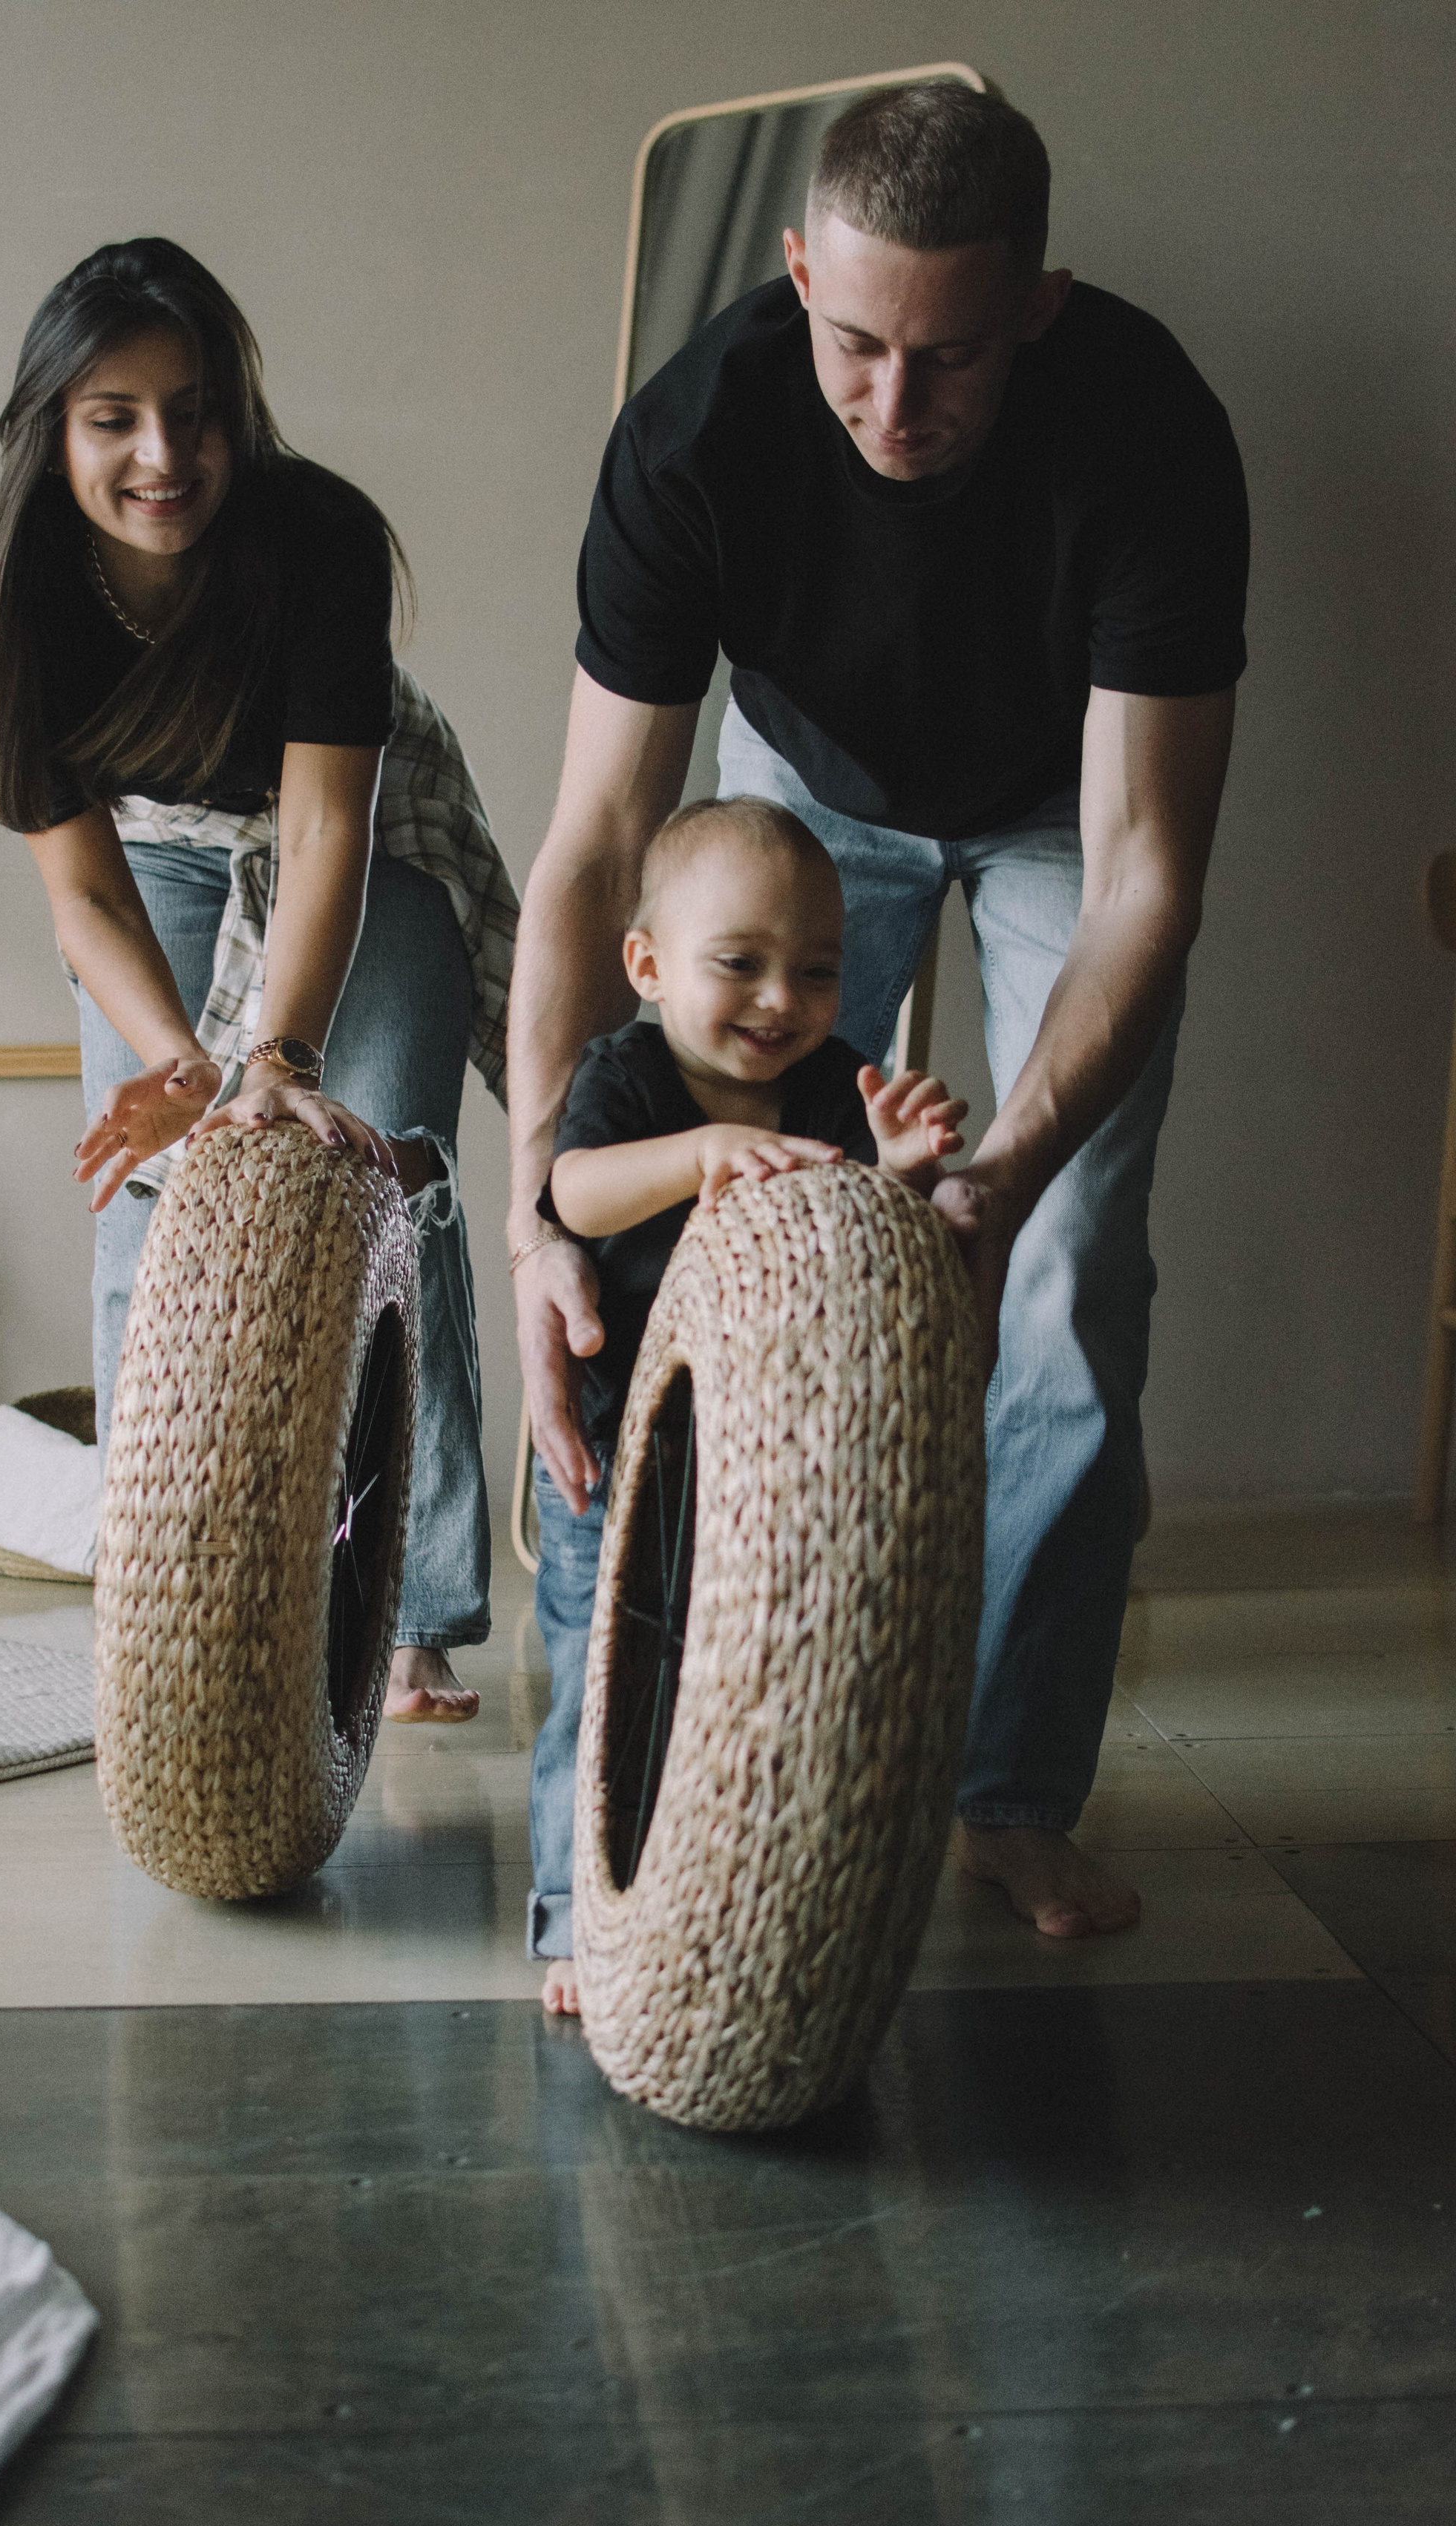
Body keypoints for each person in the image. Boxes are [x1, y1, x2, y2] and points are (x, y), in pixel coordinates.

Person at [508, 82, 1246, 1939]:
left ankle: (1002, 1792)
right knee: (718, 1238)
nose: (894, 409)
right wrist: (533, 1217)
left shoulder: (1148, 430)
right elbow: (596, 840)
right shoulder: (692, 433)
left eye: (950, 358)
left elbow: (1145, 870)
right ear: (791, 273)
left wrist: (988, 1179)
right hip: (809, 788)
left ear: (1037, 311)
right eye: (852, 345)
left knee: (1066, 1272)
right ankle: (735, 1752)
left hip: (1050, 813)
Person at [0, 237, 516, 1721]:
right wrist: (182, 1059)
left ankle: (412, 1611)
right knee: (144, 1201)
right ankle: (157, 1584)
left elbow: (321, 825)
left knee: (383, 1188)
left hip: (365, 824)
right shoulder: (24, 607)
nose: (161, 454)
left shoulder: (319, 537)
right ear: (52, 431)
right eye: (113, 417)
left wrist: (278, 1058)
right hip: (156, 851)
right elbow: (84, 887)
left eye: (192, 411)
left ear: (237, 412)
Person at [529, 795, 965, 2012]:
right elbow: (576, 1190)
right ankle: (574, 1922)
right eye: (740, 964)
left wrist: (901, 1175)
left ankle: (731, 1890)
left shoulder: (833, 1088)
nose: (781, 999)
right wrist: (700, 1155)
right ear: (648, 965)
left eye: (817, 971)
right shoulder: (626, 1074)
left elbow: (862, 1243)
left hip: (777, 1483)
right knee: (603, 1689)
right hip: (623, 1470)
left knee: (745, 1696)